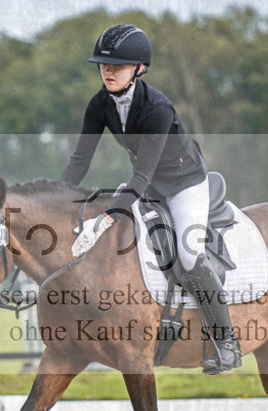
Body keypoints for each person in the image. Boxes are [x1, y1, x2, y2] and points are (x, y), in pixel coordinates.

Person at [60, 24, 242, 374]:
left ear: (139, 69)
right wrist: (54, 198)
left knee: (189, 255)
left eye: (118, 66)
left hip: (183, 184)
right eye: (103, 65)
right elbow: (80, 160)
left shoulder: (157, 107)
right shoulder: (100, 104)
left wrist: (110, 213)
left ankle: (227, 343)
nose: (108, 71)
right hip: (148, 185)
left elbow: (140, 177)